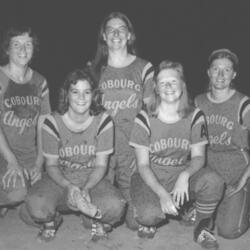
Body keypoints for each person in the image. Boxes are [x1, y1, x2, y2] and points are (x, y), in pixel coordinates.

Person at [129, 60, 224, 249]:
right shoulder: (144, 117)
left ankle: (202, 226)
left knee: (213, 181)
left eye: (173, 81)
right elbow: (143, 165)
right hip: (150, 178)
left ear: (182, 85)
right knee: (147, 216)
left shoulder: (195, 115)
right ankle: (174, 209)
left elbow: (198, 157)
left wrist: (185, 175)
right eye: (163, 82)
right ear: (155, 88)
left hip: (179, 176)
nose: (169, 87)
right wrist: (162, 194)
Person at [24, 68, 126, 242]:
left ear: (93, 95)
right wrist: (70, 187)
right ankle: (51, 220)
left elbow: (102, 165)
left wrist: (85, 189)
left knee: (116, 206)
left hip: (92, 180)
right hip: (61, 180)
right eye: (75, 92)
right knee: (35, 204)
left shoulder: (103, 120)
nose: (81, 98)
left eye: (87, 92)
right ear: (66, 94)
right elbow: (51, 165)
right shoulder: (52, 122)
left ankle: (91, 219)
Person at [89, 11, 154, 229]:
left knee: (137, 223)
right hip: (102, 150)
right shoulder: (94, 70)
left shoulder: (144, 68)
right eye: (110, 30)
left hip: (132, 148)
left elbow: (151, 113)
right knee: (98, 217)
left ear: (129, 36)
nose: (116, 33)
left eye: (122, 29)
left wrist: (144, 151)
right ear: (104, 37)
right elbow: (85, 114)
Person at [195, 49, 250, 239]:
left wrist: (243, 181)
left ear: (234, 74)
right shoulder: (198, 102)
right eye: (216, 69)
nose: (220, 75)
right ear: (208, 72)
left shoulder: (243, 104)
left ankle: (243, 200)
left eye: (226, 70)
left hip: (237, 175)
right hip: (211, 177)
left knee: (229, 231)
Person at [0, 26, 51, 216]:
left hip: (29, 156)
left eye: (28, 44)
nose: (23, 50)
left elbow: (42, 126)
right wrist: (12, 161)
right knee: (19, 190)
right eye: (17, 45)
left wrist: (39, 163)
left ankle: (16, 203)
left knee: (42, 206)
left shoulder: (40, 81)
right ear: (7, 49)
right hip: (3, 155)